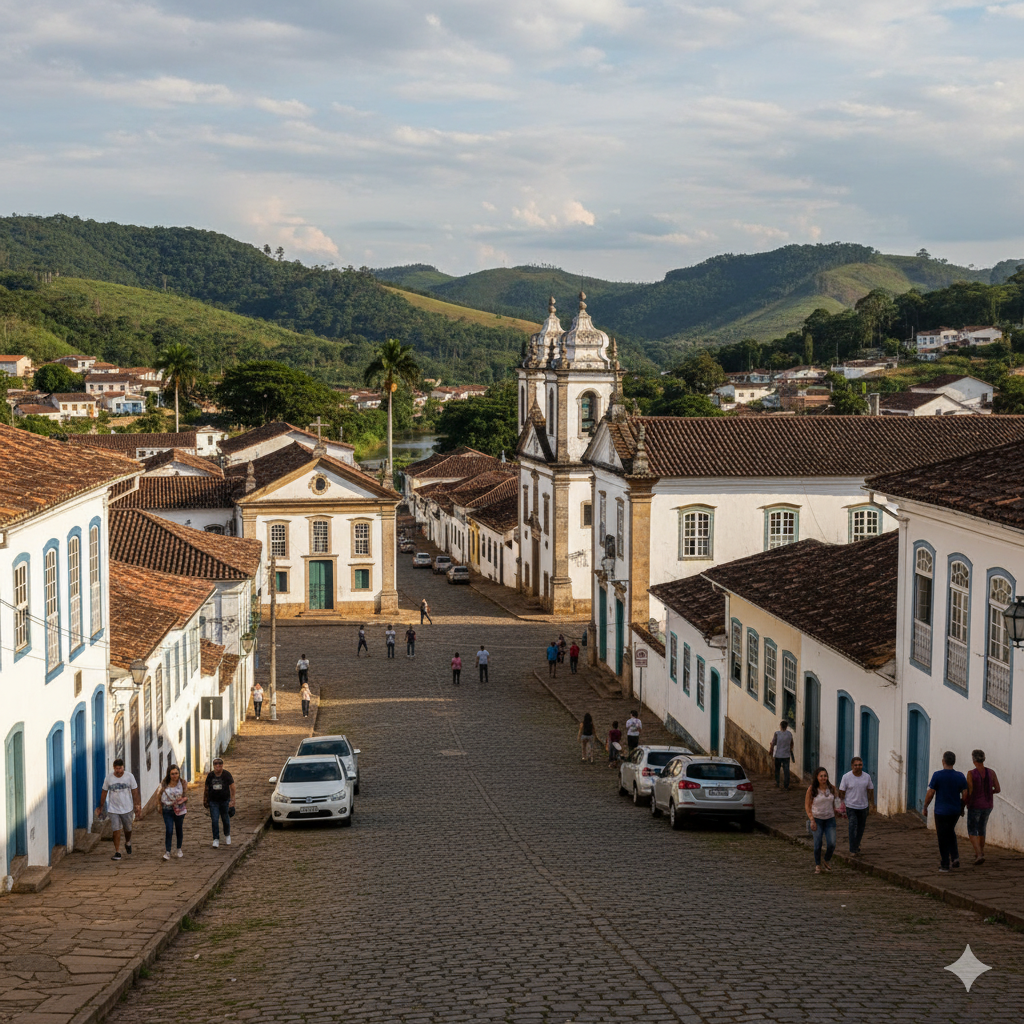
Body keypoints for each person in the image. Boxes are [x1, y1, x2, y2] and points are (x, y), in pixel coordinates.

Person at [923, 751, 968, 873]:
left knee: (942, 837)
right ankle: (955, 857)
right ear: (953, 762)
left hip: (941, 811)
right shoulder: (960, 776)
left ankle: (945, 863)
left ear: (943, 761)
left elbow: (931, 793)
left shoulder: (937, 775)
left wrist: (925, 806)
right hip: (954, 811)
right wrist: (962, 806)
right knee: (950, 832)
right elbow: (965, 794)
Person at [96, 758, 141, 861]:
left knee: (128, 829)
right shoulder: (109, 778)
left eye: (120, 768)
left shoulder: (129, 777)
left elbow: (134, 791)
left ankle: (128, 842)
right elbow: (104, 792)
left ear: (123, 767)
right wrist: (101, 806)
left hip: (127, 808)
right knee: (116, 830)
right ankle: (117, 851)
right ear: (114, 768)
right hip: (113, 809)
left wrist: (137, 805)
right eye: (116, 769)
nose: (118, 771)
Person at [966, 749, 1001, 865]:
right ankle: (980, 851)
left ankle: (979, 854)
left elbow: (969, 791)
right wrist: (988, 791)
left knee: (972, 830)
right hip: (988, 805)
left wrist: (965, 803)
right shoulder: (991, 772)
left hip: (975, 805)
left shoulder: (971, 773)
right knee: (982, 829)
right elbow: (997, 789)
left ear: (973, 760)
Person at [804, 766, 839, 874]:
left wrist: (839, 810)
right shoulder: (812, 789)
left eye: (825, 776)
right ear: (817, 777)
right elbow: (807, 806)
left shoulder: (832, 788)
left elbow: (837, 801)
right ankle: (818, 865)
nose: (823, 778)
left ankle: (826, 859)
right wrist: (812, 819)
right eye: (821, 776)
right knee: (817, 844)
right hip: (817, 819)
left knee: (832, 843)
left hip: (830, 819)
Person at [839, 756, 875, 856]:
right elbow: (841, 792)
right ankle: (852, 849)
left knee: (861, 827)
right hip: (851, 806)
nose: (858, 767)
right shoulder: (846, 777)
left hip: (863, 807)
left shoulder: (866, 777)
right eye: (856, 765)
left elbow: (870, 790)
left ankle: (856, 844)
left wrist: (872, 804)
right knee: (852, 826)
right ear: (851, 766)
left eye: (860, 765)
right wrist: (839, 806)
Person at [203, 757, 236, 849]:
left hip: (225, 801)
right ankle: (216, 839)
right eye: (215, 764)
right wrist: (205, 799)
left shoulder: (226, 775)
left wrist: (232, 800)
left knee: (225, 819)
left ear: (222, 765)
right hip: (213, 801)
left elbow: (232, 787)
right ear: (213, 766)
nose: (218, 766)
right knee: (214, 820)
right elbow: (206, 788)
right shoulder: (210, 776)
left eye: (220, 764)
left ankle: (227, 834)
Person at [158, 764, 186, 860]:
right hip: (167, 809)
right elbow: (159, 795)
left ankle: (179, 849)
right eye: (172, 774)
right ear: (169, 774)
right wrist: (159, 806)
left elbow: (186, 796)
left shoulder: (183, 783)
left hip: (179, 810)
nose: (174, 775)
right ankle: (167, 851)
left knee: (179, 829)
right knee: (169, 830)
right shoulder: (164, 784)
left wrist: (182, 800)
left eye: (176, 773)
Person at [769, 719, 795, 790]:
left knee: (777, 770)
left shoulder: (777, 733)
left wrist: (771, 750)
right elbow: (792, 743)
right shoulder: (789, 734)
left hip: (778, 755)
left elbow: (773, 743)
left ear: (780, 726)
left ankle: (777, 783)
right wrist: (790, 749)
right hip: (786, 755)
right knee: (786, 771)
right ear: (786, 726)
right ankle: (786, 785)